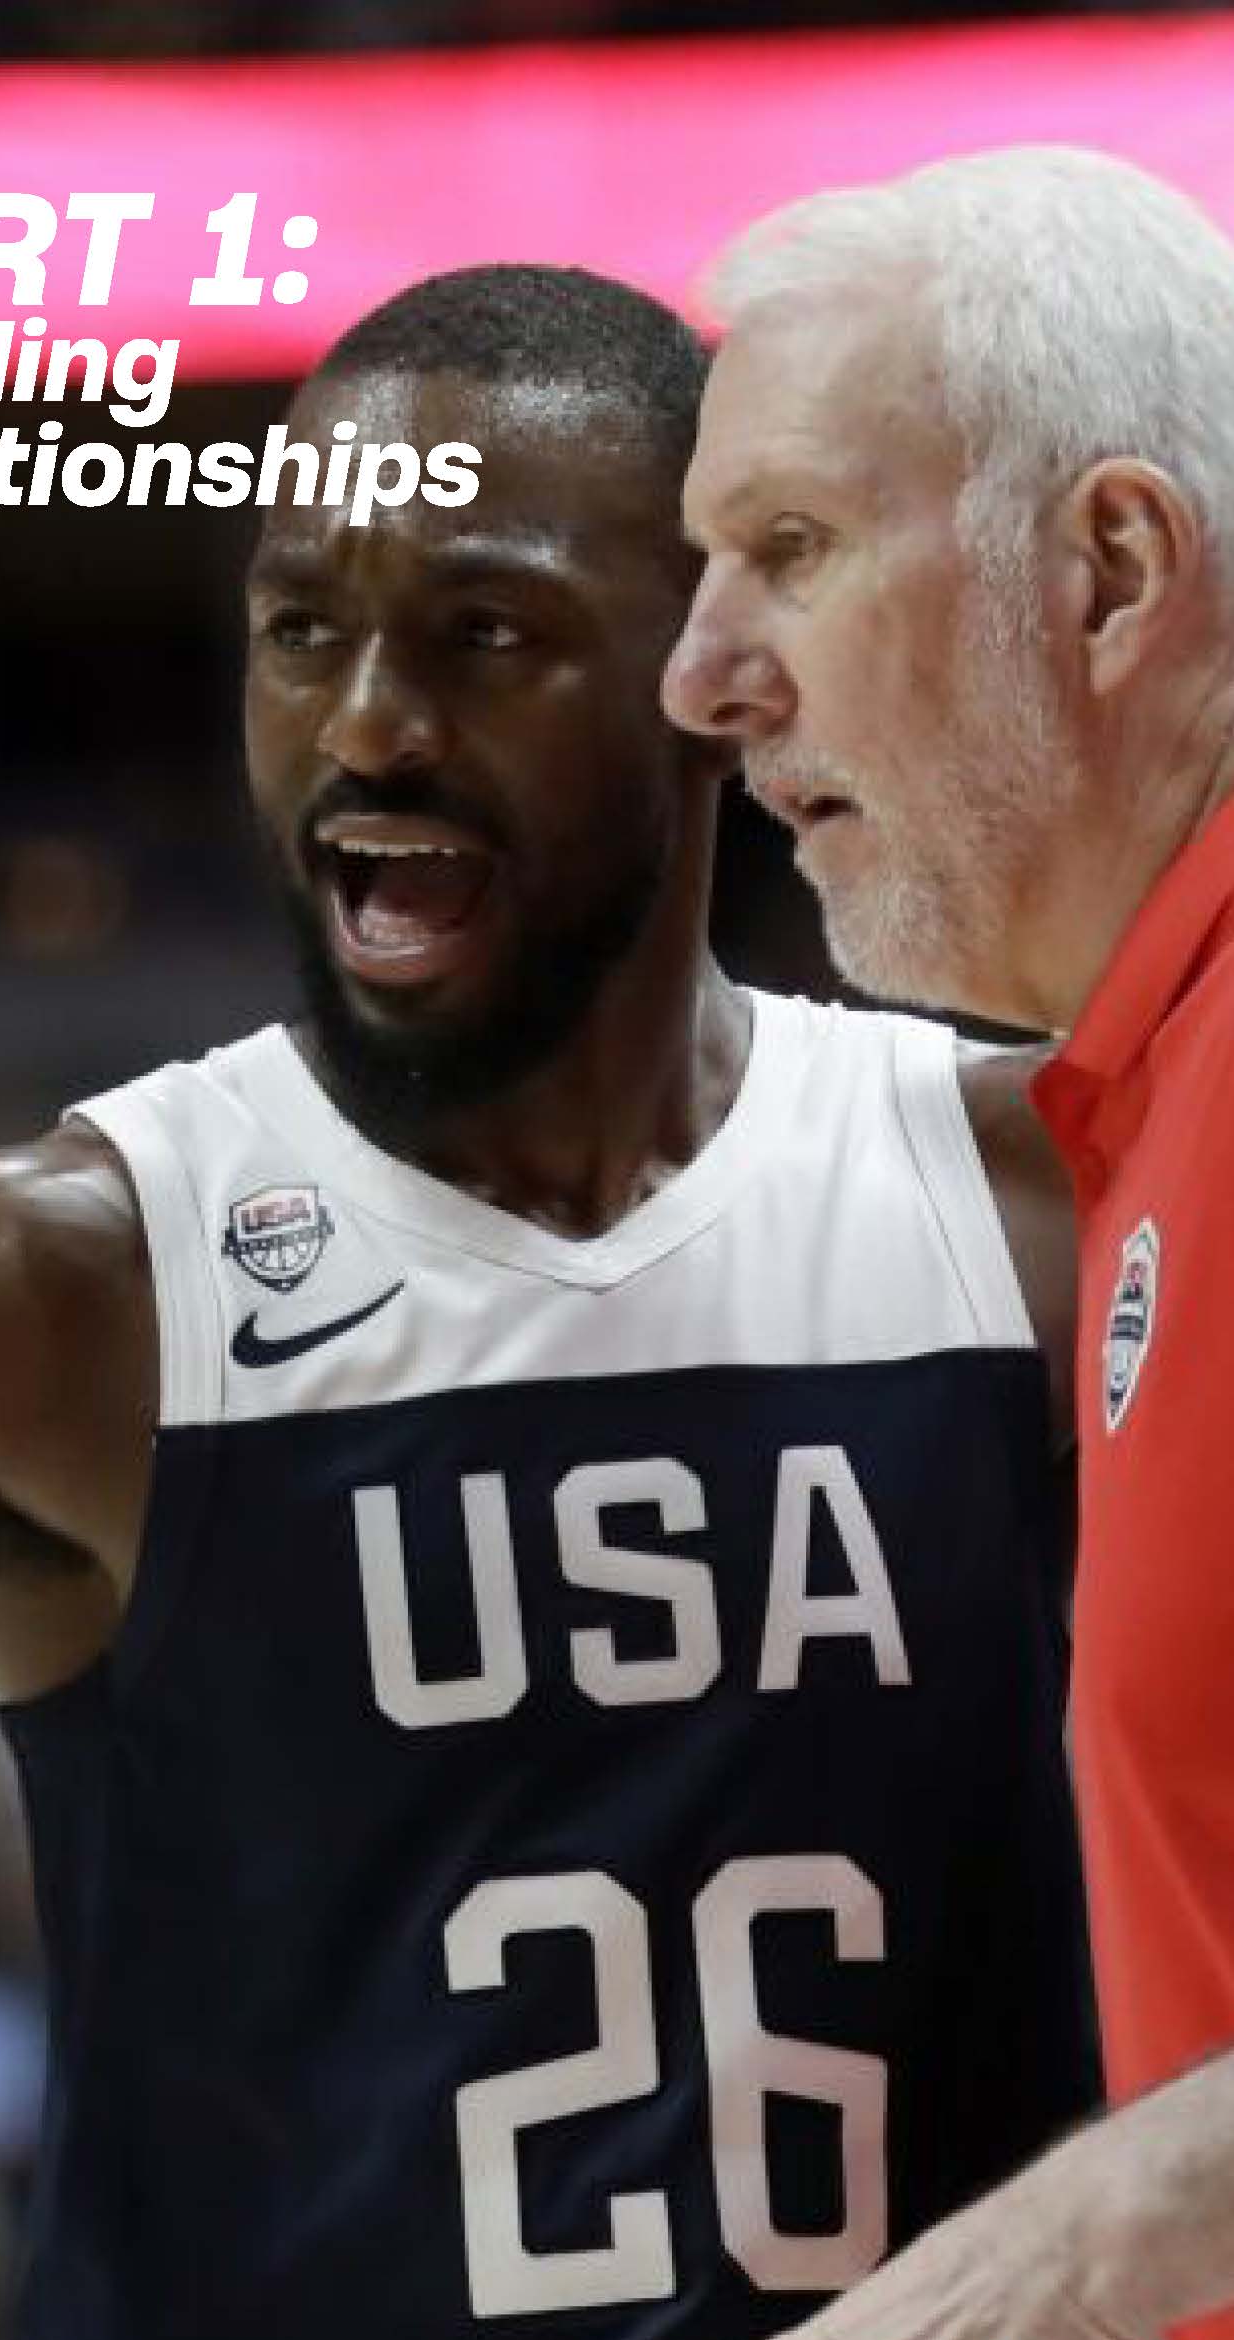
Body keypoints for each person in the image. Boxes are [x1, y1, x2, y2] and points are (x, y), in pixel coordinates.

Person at [0, 263, 1093, 2339]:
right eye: (301, 632)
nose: (367, 722)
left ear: (714, 670)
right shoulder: (38, 1291)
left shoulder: (1036, 1195)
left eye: (484, 634)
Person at [663, 146, 1234, 2340]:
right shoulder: (1138, 1089)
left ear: (1108, 570)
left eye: (790, 549)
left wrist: (1025, 2277)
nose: (700, 678)